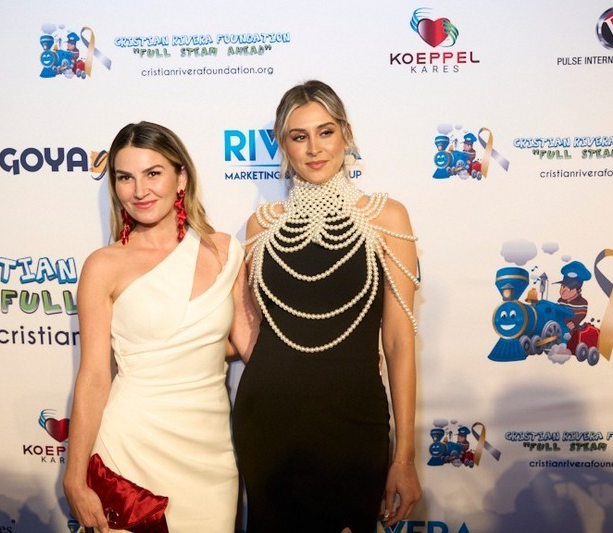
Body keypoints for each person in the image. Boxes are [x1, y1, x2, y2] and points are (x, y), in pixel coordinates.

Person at [232, 80, 422, 531]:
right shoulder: (261, 226)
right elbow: (251, 326)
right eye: (299, 136)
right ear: (284, 146)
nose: (314, 148)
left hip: (353, 421)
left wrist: (404, 457)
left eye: (326, 132)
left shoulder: (386, 216)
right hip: (269, 419)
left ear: (346, 134)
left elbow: (398, 341)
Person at [63, 121, 259, 532]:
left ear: (180, 177)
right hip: (131, 448)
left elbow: (253, 347)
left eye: (153, 173)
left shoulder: (225, 251)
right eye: (125, 177)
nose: (140, 190)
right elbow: (94, 376)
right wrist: (75, 477)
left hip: (210, 456)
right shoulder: (103, 266)